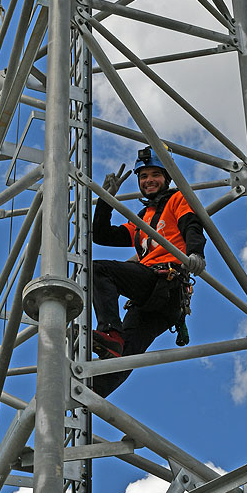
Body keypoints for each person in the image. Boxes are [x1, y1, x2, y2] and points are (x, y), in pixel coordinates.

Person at [91, 145, 206, 398]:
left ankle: (110, 330)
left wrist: (196, 254)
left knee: (99, 270)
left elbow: (192, 226)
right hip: (153, 301)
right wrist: (106, 199)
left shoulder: (177, 200)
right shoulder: (144, 218)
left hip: (165, 283)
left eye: (155, 175)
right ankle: (90, 395)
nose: (149, 181)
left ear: (166, 178)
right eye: (143, 176)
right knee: (122, 355)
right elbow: (101, 235)